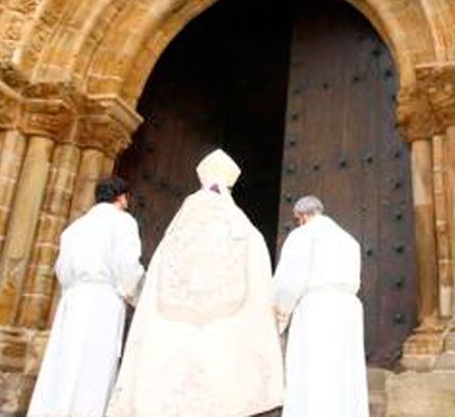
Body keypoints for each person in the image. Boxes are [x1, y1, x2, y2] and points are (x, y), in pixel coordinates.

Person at [108, 149, 284, 416]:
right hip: (222, 331)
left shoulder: (175, 234)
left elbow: (152, 283)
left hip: (173, 330)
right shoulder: (246, 233)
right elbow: (259, 288)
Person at [27, 177, 145, 417]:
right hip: (102, 301)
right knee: (93, 367)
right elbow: (127, 265)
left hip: (73, 300)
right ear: (121, 197)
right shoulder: (123, 222)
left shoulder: (75, 227)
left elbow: (61, 269)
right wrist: (140, 297)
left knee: (63, 365)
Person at [273, 196, 369, 417]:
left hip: (316, 310)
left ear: (302, 217)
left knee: (314, 374)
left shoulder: (303, 235)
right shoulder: (349, 240)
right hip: (348, 311)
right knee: (344, 375)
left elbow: (289, 282)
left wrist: (280, 312)